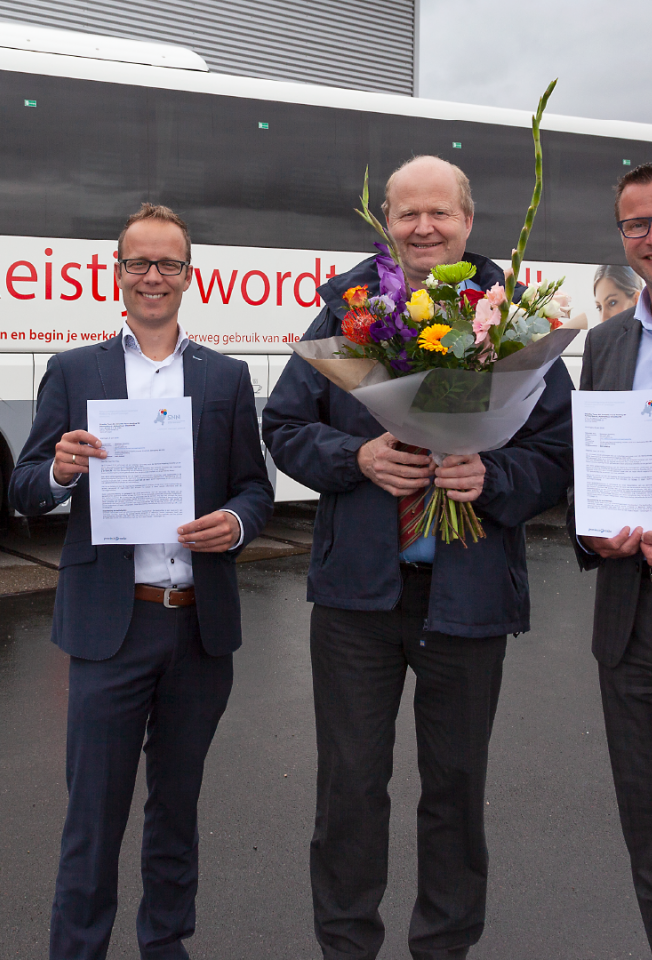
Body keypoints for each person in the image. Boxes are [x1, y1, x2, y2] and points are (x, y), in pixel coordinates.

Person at [262, 155, 574, 960]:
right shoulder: (347, 307)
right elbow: (287, 425)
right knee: (351, 789)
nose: (424, 228)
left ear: (468, 222)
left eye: (440, 214)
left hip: (466, 599)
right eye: (407, 215)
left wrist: (491, 472)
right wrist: (355, 459)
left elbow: (558, 452)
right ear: (386, 223)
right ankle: (346, 947)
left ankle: (444, 947)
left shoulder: (515, 320)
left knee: (456, 792)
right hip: (357, 599)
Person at [10, 202, 273, 960]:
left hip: (197, 625)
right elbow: (24, 487)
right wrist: (57, 471)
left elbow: (253, 487)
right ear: (116, 273)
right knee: (94, 814)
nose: (153, 277)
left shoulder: (224, 377)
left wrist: (239, 523)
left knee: (177, 810)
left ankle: (165, 945)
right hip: (109, 626)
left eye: (168, 264)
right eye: (139, 263)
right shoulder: (75, 370)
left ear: (190, 277)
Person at [569, 161, 652, 949]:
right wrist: (590, 530)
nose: (650, 237)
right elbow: (588, 469)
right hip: (632, 625)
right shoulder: (606, 344)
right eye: (636, 224)